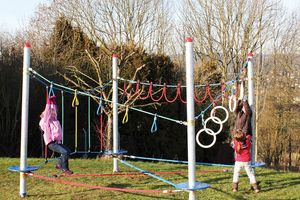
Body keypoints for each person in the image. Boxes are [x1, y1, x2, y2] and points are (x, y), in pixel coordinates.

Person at [39, 95, 73, 175]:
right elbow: (47, 111)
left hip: (57, 142)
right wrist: (48, 101)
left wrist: (53, 102)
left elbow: (54, 110)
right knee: (64, 152)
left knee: (68, 151)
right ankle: (65, 169)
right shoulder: (45, 121)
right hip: (51, 143)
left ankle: (59, 164)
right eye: (50, 113)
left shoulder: (54, 119)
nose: (52, 113)